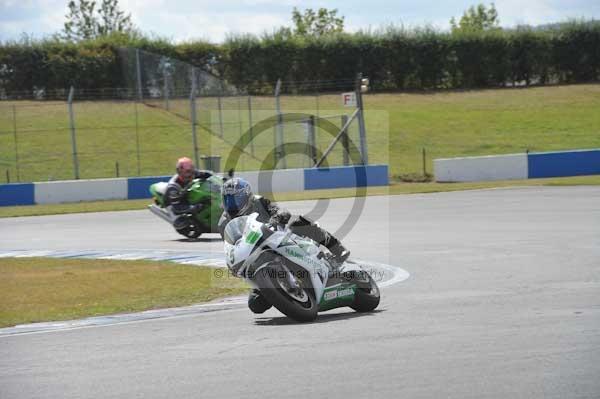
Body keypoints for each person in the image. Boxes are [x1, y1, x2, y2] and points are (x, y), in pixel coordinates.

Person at [221, 177, 350, 314]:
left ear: (247, 195)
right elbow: (230, 244)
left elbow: (278, 210)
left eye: (236, 198)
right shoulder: (223, 222)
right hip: (255, 256)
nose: (232, 204)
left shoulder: (259, 201)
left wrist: (278, 216)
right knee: (255, 305)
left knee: (298, 222)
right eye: (227, 199)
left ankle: (337, 249)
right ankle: (282, 292)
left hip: (278, 237)